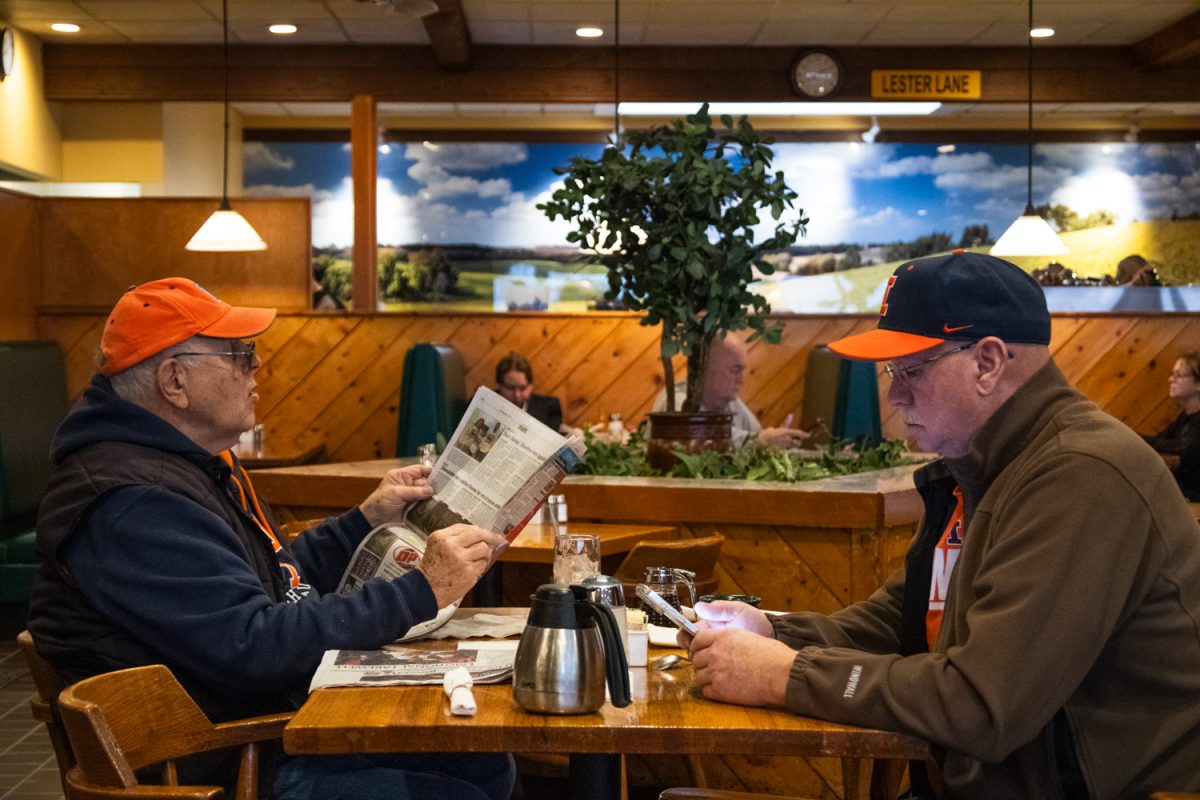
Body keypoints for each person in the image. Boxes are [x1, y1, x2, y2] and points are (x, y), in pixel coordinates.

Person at [684, 251, 1200, 798]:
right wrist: (773, 633)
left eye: (911, 369)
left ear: (988, 362)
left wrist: (785, 675)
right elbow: (901, 623)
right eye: (892, 372)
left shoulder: (1081, 475)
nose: (894, 394)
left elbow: (981, 705)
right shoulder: (986, 466)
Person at [27, 278, 515, 800]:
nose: (255, 368)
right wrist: (419, 589)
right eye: (239, 353)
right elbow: (255, 646)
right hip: (217, 762)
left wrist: (364, 522)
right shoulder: (133, 501)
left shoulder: (185, 464)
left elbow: (269, 582)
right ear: (174, 380)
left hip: (261, 727)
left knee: (483, 759)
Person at [651, 336, 810, 448]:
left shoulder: (730, 401)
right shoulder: (677, 401)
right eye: (735, 370)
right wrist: (761, 442)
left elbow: (758, 436)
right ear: (704, 368)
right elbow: (700, 440)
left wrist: (779, 440)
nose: (741, 380)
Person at [1144, 352, 1200, 501]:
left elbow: (1185, 449)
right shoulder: (1184, 418)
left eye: (1178, 375)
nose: (1170, 379)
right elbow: (1158, 441)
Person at [495, 351, 562, 432]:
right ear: (498, 385)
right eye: (510, 388)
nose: (517, 395)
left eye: (523, 388)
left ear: (530, 386)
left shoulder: (550, 408)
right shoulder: (482, 401)